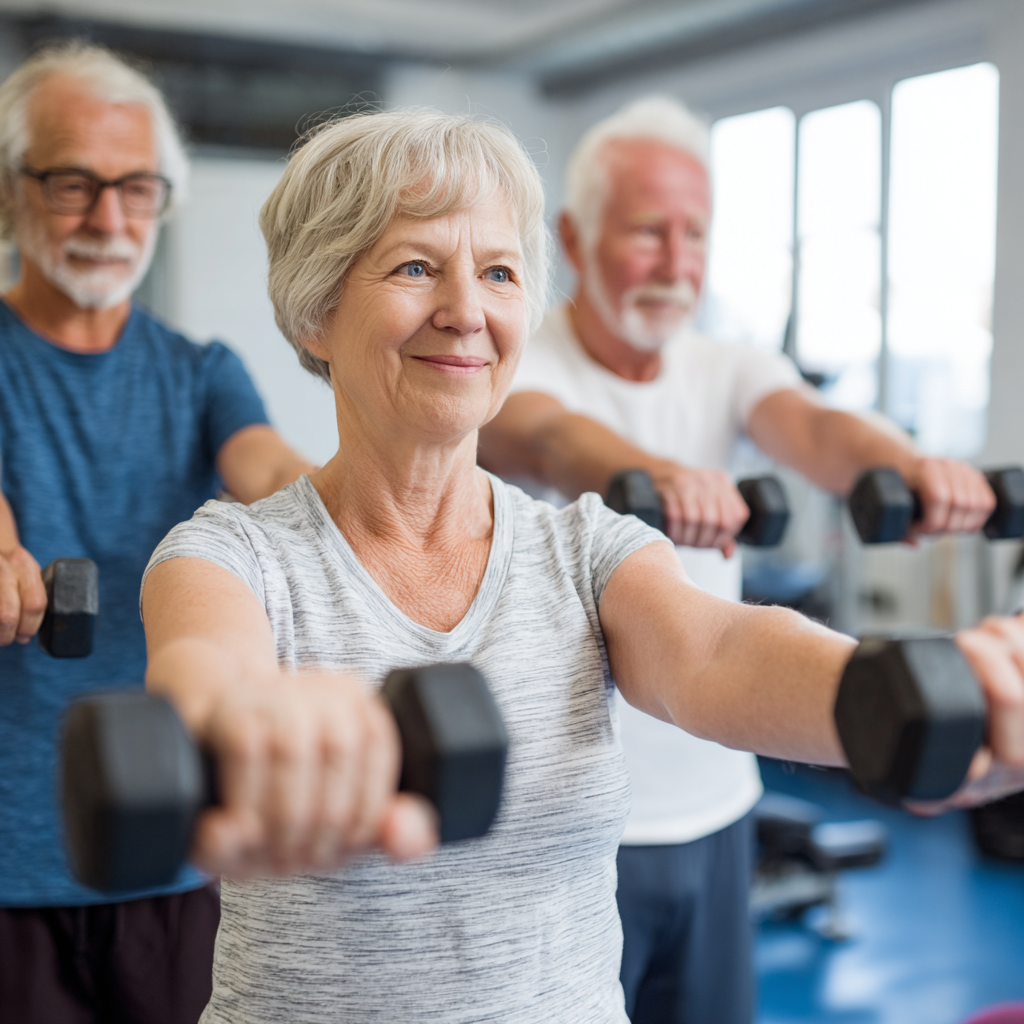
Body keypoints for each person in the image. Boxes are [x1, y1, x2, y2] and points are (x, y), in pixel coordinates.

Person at [138, 107, 1024, 1024]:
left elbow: (713, 651)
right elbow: (205, 677)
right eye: (415, 267)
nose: (467, 311)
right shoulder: (231, 554)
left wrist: (901, 694)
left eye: (498, 273)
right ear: (318, 312)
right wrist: (244, 729)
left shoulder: (585, 546)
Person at [476, 95, 999, 1024]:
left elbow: (815, 428)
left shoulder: (725, 365)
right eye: (649, 231)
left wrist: (910, 466)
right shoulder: (516, 362)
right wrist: (657, 477)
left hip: (717, 807)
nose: (675, 262)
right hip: (566, 824)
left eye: (696, 235)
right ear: (575, 236)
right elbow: (550, 438)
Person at [0, 43, 315, 1023]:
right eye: (73, 184)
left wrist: (356, 513)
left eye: (136, 188)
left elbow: (269, 469)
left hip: (171, 849)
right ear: (10, 192)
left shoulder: (203, 372)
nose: (109, 220)